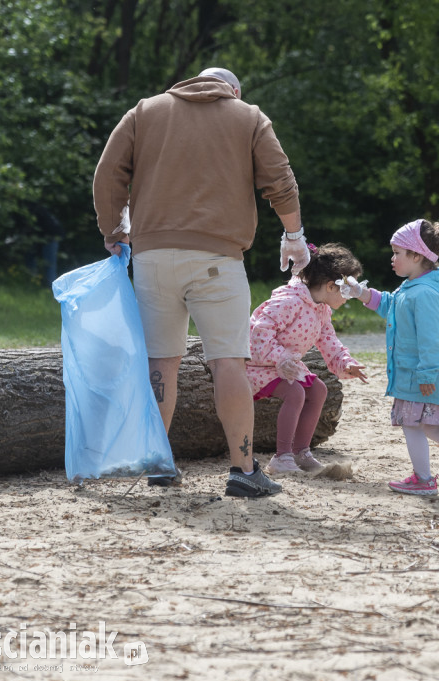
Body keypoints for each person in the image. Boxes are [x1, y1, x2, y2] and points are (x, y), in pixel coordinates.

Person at [93, 66, 311, 498]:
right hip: (218, 260)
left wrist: (113, 230)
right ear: (232, 91)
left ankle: (158, 461)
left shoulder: (144, 111)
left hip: (153, 257)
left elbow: (107, 173)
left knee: (161, 362)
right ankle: (244, 469)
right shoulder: (248, 116)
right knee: (229, 361)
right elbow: (281, 182)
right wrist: (294, 237)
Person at [339, 219, 439, 496]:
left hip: (421, 375)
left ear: (417, 256)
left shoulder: (424, 294)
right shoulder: (412, 287)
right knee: (428, 425)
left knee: (414, 424)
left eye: (397, 252)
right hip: (416, 374)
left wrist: (425, 375)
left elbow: (430, 339)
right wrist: (361, 293)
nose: (392, 258)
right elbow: (389, 305)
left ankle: (425, 478)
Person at [246, 243, 368, 475]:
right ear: (331, 286)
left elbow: (329, 341)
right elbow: (259, 331)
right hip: (258, 363)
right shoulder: (290, 301)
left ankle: (301, 452)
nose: (350, 297)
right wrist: (279, 357)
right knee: (296, 393)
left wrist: (345, 363)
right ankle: (282, 457)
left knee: (318, 390)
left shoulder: (320, 309)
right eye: (348, 290)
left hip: (286, 366)